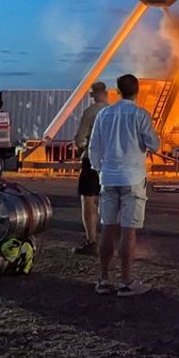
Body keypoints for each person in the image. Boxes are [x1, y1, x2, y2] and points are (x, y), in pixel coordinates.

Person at [88, 74, 160, 297]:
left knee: (107, 228)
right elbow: (154, 145)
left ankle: (103, 279)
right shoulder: (140, 115)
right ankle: (127, 282)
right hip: (133, 178)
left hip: (108, 178)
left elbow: (94, 147)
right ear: (136, 91)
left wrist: (100, 169)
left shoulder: (104, 114)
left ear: (117, 91)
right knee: (128, 230)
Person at [73, 81, 110, 255]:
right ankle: (111, 242)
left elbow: (80, 138)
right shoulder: (114, 112)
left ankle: (91, 240)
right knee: (110, 201)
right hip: (111, 162)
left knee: (89, 200)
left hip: (91, 161)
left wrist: (81, 146)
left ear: (94, 95)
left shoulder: (90, 112)